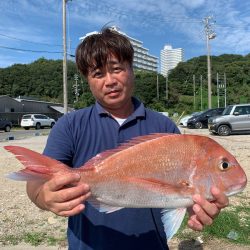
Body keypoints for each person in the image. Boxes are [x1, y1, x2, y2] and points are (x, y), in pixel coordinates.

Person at [26, 27, 229, 250]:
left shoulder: (163, 126)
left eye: (117, 69)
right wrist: (43, 197)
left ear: (132, 69)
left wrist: (196, 207)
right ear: (87, 80)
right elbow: (36, 182)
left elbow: (178, 194)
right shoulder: (71, 125)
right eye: (98, 74)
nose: (110, 80)